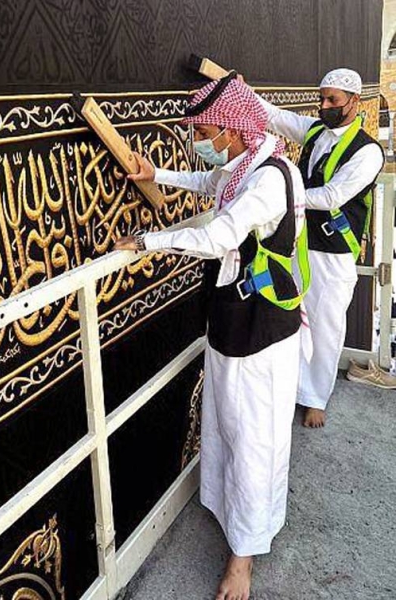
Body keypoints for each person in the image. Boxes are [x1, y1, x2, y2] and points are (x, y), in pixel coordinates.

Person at [113, 75, 309, 600]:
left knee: (254, 440)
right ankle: (231, 516)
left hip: (261, 331)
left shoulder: (269, 179)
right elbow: (212, 186)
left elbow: (218, 235)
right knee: (228, 425)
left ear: (230, 129)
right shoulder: (242, 165)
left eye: (202, 131)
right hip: (232, 321)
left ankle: (243, 557)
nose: (200, 140)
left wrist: (150, 240)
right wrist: (159, 174)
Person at [257, 68, 384, 428]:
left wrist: (280, 197)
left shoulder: (368, 152)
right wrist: (234, 87)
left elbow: (332, 196)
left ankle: (316, 397)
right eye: (322, 99)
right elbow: (275, 117)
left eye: (333, 101)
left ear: (354, 102)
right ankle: (292, 387)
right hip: (299, 242)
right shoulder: (316, 131)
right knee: (294, 316)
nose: (325, 106)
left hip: (333, 252)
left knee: (325, 325)